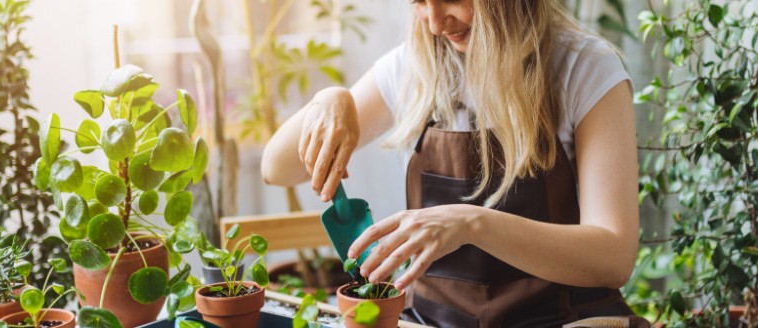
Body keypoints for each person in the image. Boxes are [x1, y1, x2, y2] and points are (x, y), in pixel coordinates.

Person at [262, 0, 647, 327]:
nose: (433, 22)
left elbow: (612, 258)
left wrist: (472, 224)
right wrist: (330, 99)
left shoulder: (586, 69)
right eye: (418, 2)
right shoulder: (412, 69)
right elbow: (277, 167)